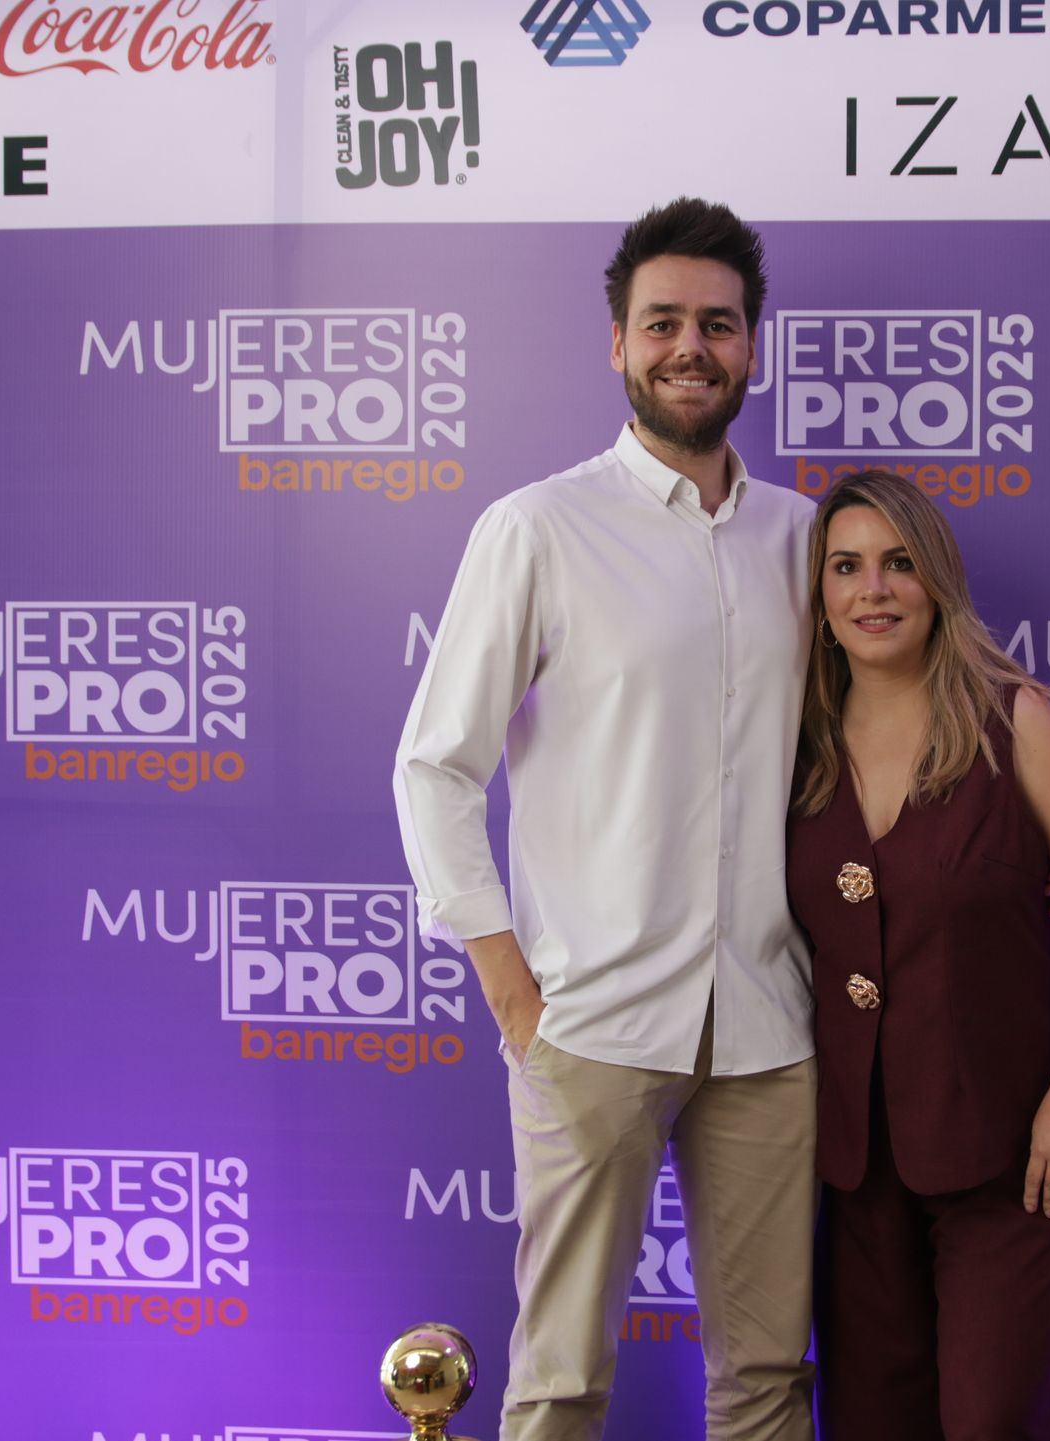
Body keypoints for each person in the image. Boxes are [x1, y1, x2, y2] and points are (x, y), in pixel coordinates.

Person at [393, 198, 819, 1441]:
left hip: (770, 1026)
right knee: (562, 1380)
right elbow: (435, 766)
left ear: (752, 347)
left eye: (718, 325)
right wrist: (511, 987)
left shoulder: (807, 540)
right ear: (619, 345)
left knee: (768, 1381)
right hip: (590, 1023)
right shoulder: (540, 527)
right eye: (664, 322)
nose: (692, 347)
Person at [786, 469, 1050, 1441]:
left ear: (937, 580)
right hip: (856, 1173)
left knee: (990, 1422)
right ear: (819, 597)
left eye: (898, 563)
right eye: (846, 567)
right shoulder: (792, 745)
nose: (873, 589)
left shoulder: (1011, 718)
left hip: (1011, 1161)